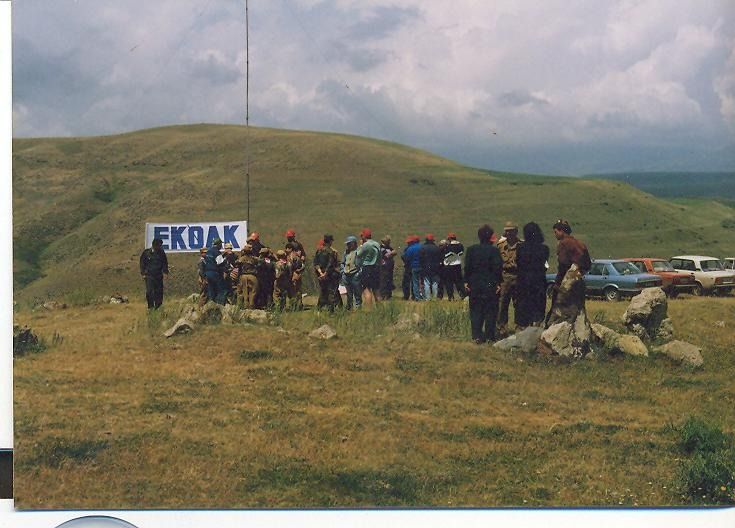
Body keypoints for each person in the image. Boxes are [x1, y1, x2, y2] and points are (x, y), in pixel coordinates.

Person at [546, 219, 592, 328]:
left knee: (560, 309)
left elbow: (563, 264)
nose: (555, 235)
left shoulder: (563, 243)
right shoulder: (580, 244)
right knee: (578, 310)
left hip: (567, 281)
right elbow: (588, 264)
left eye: (556, 232)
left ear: (561, 231)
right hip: (579, 280)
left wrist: (558, 283)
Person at [464, 224, 503, 344]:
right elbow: (498, 268)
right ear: (490, 236)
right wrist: (498, 283)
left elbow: (467, 268)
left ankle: (476, 336)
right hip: (490, 284)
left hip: (475, 284)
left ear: (479, 236)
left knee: (476, 310)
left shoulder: (471, 250)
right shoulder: (495, 251)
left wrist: (466, 281)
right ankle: (489, 336)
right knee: (490, 311)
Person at [516, 222, 550, 327]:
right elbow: (544, 265)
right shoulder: (544, 249)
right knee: (537, 307)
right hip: (538, 281)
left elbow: (519, 264)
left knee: (524, 307)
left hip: (523, 281)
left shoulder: (520, 248)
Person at [497, 221, 522, 335]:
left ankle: (519, 327)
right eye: (507, 231)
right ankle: (502, 328)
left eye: (511, 231)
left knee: (519, 303)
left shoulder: (521, 245)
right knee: (502, 303)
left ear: (516, 232)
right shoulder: (500, 245)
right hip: (504, 277)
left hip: (518, 276)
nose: (509, 233)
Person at [139, 238, 169, 309]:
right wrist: (143, 273)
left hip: (158, 275)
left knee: (159, 292)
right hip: (149, 276)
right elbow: (142, 263)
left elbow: (165, 263)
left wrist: (165, 272)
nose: (160, 247)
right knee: (149, 291)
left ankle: (158, 307)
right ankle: (151, 307)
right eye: (159, 245)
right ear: (154, 245)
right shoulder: (146, 253)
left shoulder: (161, 253)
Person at [314, 234, 341, 311]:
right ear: (330, 241)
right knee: (331, 292)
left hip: (321, 275)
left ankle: (319, 309)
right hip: (330, 275)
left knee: (323, 291)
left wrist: (320, 273)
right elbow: (330, 264)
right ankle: (331, 310)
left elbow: (316, 263)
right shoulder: (331, 252)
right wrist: (325, 273)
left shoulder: (319, 251)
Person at [356, 228, 382, 304]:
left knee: (366, 290)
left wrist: (361, 245)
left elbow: (358, 254)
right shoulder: (377, 244)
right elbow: (380, 256)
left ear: (364, 236)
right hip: (376, 268)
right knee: (376, 290)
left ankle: (369, 309)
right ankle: (380, 308)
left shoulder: (365, 245)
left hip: (367, 268)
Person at [203, 238, 226, 305]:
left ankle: (211, 304)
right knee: (221, 289)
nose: (221, 246)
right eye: (221, 244)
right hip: (215, 273)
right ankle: (220, 304)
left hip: (207, 273)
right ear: (218, 244)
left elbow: (206, 262)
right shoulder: (217, 252)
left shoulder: (208, 251)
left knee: (211, 289)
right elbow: (220, 263)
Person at [419, 233, 443, 300]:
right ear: (433, 240)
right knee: (435, 283)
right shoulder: (437, 248)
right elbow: (440, 258)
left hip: (426, 267)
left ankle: (428, 298)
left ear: (426, 240)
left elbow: (421, 259)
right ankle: (434, 298)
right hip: (435, 268)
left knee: (426, 283)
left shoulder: (423, 248)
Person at [341, 235, 361, 310]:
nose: (348, 245)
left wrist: (359, 273)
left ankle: (357, 307)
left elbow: (360, 263)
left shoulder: (358, 251)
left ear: (354, 243)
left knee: (357, 292)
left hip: (355, 274)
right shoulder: (346, 252)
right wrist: (343, 271)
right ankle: (349, 307)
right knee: (348, 293)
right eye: (347, 244)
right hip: (346, 275)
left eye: (349, 243)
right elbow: (342, 262)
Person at [235, 244, 258, 309]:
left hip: (243, 276)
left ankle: (245, 305)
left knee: (244, 291)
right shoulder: (254, 258)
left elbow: (236, 264)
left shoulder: (241, 259)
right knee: (253, 291)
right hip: (252, 275)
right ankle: (251, 305)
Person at [443, 232, 465, 300]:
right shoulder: (460, 245)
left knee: (449, 282)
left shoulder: (448, 246)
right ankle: (462, 295)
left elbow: (445, 256)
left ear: (450, 239)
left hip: (450, 266)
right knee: (459, 281)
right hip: (458, 265)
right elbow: (461, 253)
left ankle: (451, 296)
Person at [404, 234, 423, 300]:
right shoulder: (422, 247)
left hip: (414, 267)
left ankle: (417, 297)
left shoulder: (410, 248)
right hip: (422, 267)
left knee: (415, 282)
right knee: (422, 282)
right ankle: (424, 296)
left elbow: (406, 258)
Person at [379, 235, 397, 300]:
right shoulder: (381, 248)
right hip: (383, 267)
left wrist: (392, 253)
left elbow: (395, 252)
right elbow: (386, 255)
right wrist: (391, 253)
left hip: (389, 267)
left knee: (389, 280)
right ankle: (383, 295)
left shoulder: (389, 248)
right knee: (383, 281)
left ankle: (389, 294)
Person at [400, 236, 416, 300]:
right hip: (414, 266)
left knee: (406, 282)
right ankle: (414, 295)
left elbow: (404, 256)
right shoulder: (416, 248)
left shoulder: (407, 249)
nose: (408, 243)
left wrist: (404, 261)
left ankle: (406, 296)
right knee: (414, 282)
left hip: (408, 267)